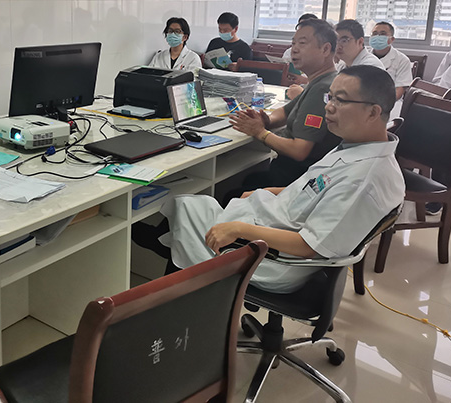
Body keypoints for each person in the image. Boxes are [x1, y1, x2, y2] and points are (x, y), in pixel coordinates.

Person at [135, 66, 404, 294]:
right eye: (329, 97)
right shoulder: (357, 147)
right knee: (193, 208)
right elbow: (317, 188)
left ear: (373, 112)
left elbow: (308, 246)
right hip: (274, 220)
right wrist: (268, 192)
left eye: (340, 101)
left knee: (186, 208)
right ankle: (165, 252)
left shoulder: (363, 179)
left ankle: (171, 302)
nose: (329, 107)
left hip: (276, 261)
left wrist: (239, 229)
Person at [230, 18, 341, 188]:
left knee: (237, 189)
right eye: (293, 43)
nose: (294, 49)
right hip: (300, 173)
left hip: (297, 178)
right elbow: (285, 111)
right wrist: (266, 120)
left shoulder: (323, 89)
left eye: (302, 43)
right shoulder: (320, 82)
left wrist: (260, 132)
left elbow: (299, 151)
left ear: (325, 49)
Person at [370, 21, 414, 100]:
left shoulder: (402, 60)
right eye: (374, 33)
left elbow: (400, 89)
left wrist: (383, 103)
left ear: (391, 39)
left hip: (390, 102)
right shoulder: (363, 56)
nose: (377, 37)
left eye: (382, 34)